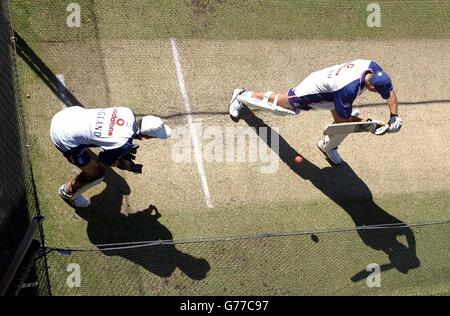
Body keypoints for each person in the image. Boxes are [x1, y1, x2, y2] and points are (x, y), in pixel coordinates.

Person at [228, 59, 403, 165]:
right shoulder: (348, 90)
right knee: (280, 106)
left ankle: (327, 146)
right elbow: (344, 120)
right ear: (370, 85)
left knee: (350, 120)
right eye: (377, 90)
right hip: (314, 89)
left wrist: (394, 117)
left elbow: (390, 93)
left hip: (333, 91)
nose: (381, 93)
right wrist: (372, 126)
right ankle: (241, 96)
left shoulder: (373, 68)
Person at [50, 106, 171, 208]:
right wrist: (121, 163)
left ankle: (83, 144)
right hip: (62, 136)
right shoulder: (123, 144)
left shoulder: (126, 112)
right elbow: (102, 161)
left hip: (66, 115)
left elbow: (111, 131)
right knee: (97, 174)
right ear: (148, 137)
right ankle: (67, 192)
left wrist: (119, 150)